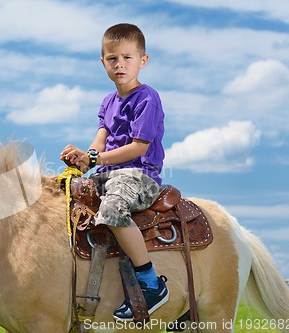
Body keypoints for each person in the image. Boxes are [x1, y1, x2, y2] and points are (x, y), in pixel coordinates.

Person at [60, 23, 169, 321]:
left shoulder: (147, 98)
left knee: (112, 210)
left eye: (127, 57)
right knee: (64, 196)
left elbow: (138, 147)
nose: (119, 64)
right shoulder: (108, 102)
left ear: (143, 60)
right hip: (108, 171)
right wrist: (83, 158)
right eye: (112, 59)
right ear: (103, 62)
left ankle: (150, 283)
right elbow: (100, 139)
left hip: (140, 176)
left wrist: (95, 157)